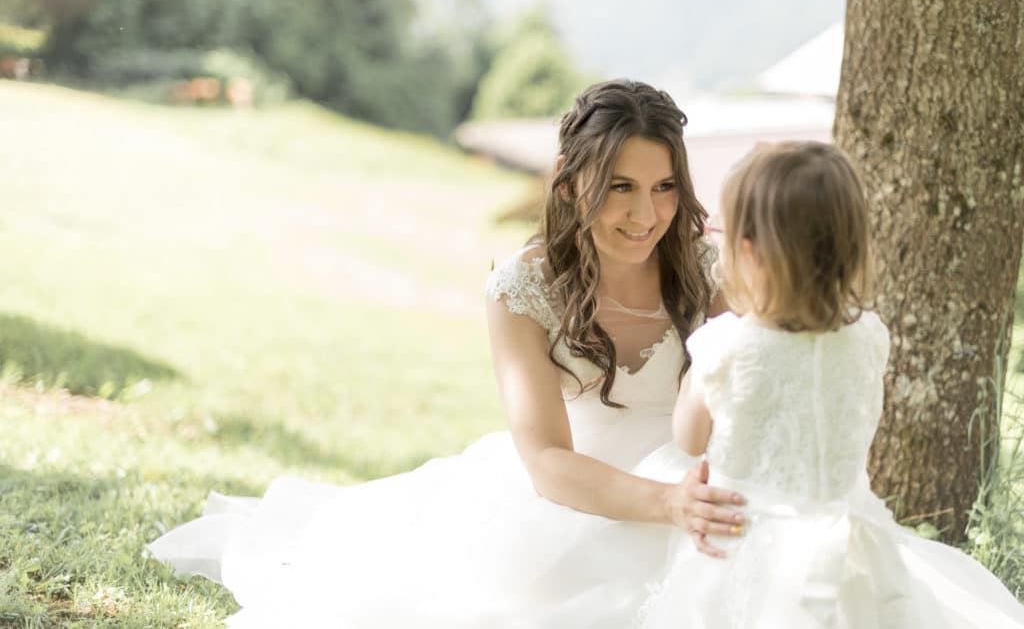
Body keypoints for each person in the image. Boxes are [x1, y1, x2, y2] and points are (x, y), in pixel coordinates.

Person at [146, 79, 746, 627]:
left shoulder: (707, 271)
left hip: (694, 474)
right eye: (621, 187)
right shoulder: (522, 290)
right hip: (574, 498)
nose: (647, 215)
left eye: (664, 187)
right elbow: (545, 462)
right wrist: (669, 504)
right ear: (568, 180)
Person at [633, 141, 1024, 628]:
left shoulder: (725, 346)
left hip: (746, 549)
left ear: (750, 254)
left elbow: (688, 438)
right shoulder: (869, 336)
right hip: (851, 552)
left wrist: (701, 359)